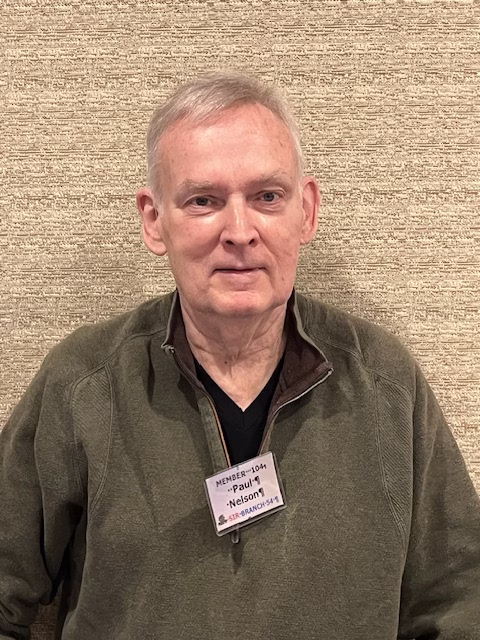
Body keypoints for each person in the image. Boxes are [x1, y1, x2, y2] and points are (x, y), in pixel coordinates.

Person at [1, 72, 479, 640]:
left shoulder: (388, 387)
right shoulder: (83, 385)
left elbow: (460, 605)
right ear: (154, 221)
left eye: (267, 197)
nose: (239, 231)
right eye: (203, 201)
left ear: (307, 211)